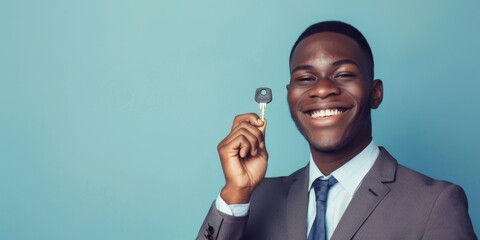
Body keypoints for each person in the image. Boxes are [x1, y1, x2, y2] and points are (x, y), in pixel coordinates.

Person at [196, 21, 477, 240]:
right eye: (306, 78)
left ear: (375, 93)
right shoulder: (255, 199)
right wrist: (236, 193)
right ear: (289, 97)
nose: (321, 88)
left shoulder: (435, 203)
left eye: (343, 74)